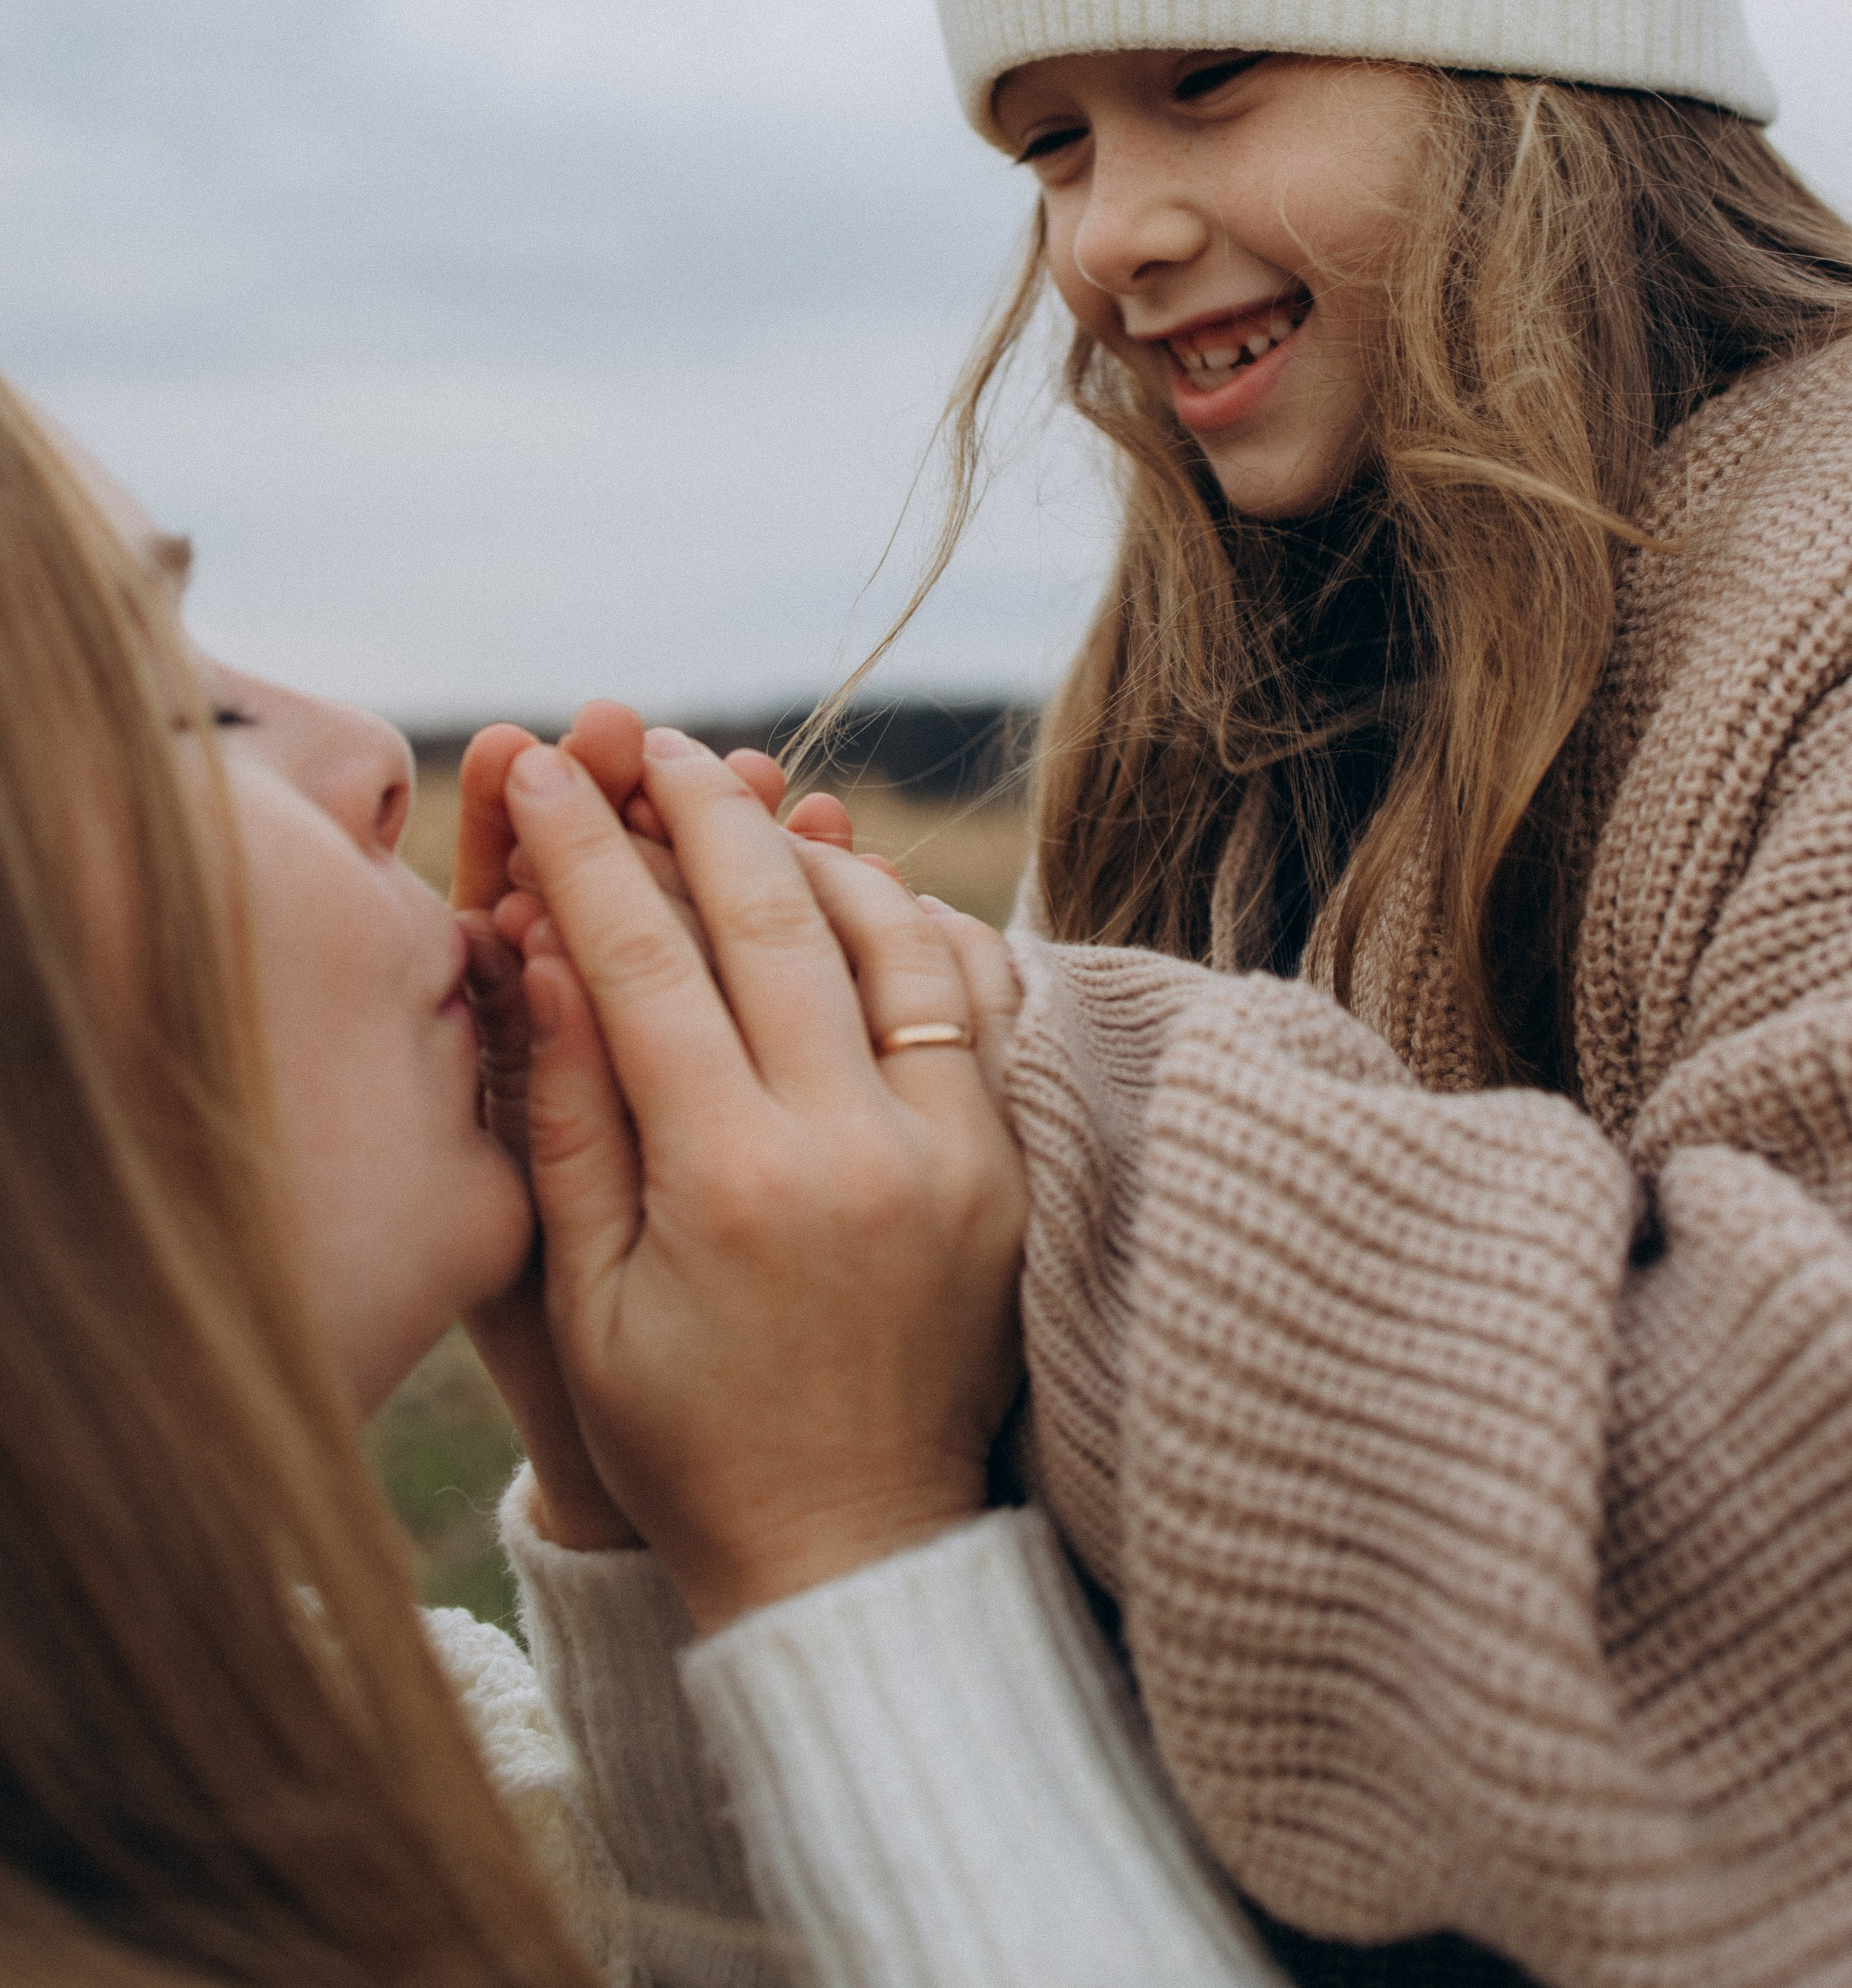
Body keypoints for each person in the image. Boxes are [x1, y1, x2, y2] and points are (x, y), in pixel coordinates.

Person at [789, 0, 1852, 1988]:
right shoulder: (1190, 707)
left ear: (1541, 46)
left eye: (1206, 77)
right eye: (1044, 138)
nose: (1109, 235)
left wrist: (977, 1076)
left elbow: (1814, 1574)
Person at [0, 378, 1284, 1988]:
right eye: (177, 709)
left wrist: (636, 1512)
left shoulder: (185, 1766)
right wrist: (849, 1543)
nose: (374, 759)